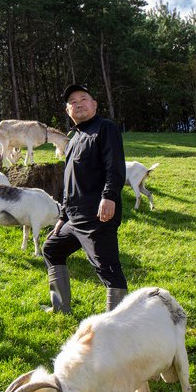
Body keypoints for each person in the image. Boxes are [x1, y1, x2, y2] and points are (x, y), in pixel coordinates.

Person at [42, 84, 128, 313]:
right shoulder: (73, 140)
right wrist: (62, 216)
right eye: (72, 101)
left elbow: (115, 167)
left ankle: (117, 322)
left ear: (94, 105)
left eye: (83, 98)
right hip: (74, 219)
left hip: (97, 215)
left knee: (108, 269)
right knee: (52, 248)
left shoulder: (105, 128)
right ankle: (60, 308)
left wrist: (109, 196)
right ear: (68, 110)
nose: (78, 103)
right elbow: (69, 182)